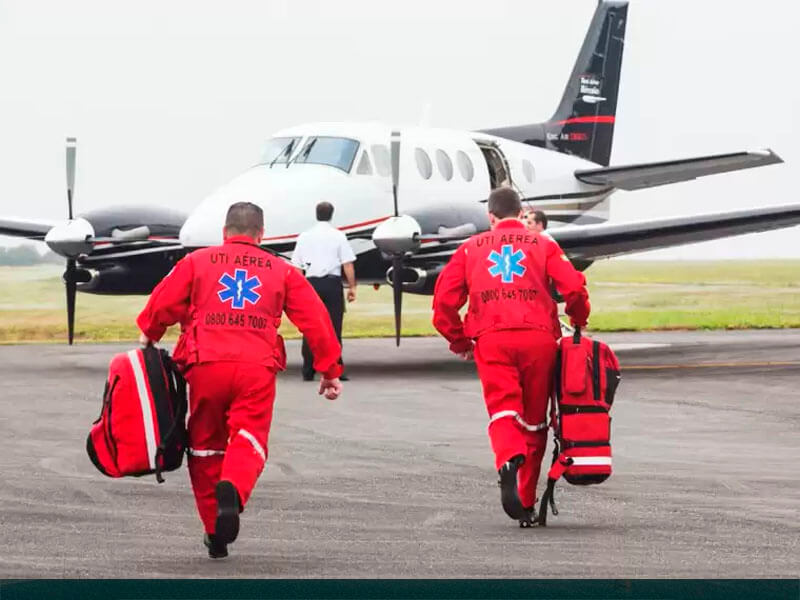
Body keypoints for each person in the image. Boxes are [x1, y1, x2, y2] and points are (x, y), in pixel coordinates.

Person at [136, 201, 343, 559]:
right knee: (249, 437)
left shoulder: (196, 262)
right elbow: (315, 319)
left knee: (203, 446)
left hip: (205, 365)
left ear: (224, 232)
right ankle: (233, 486)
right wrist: (329, 369)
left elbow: (162, 302)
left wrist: (149, 334)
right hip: (255, 367)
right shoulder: (282, 270)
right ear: (261, 235)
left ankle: (214, 531)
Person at [432, 188, 590, 525]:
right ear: (521, 214)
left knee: (503, 409)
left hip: (491, 339)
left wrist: (459, 341)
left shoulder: (469, 249)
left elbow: (443, 305)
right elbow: (574, 288)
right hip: (538, 339)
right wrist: (578, 318)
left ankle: (507, 457)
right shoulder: (544, 244)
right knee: (535, 421)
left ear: (489, 217)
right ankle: (526, 504)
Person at [291, 201, 357, 381]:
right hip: (332, 283)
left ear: (316, 214)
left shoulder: (304, 236)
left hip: (311, 284)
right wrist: (352, 287)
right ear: (331, 214)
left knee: (310, 326)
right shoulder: (338, 236)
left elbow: (296, 266)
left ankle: (308, 369)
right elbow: (347, 264)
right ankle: (336, 368)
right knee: (334, 327)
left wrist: (299, 288)